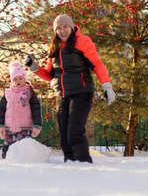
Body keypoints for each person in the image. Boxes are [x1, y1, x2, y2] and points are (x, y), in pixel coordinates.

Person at [24, 14, 116, 163]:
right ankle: (70, 163)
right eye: (58, 28)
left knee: (74, 130)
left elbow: (97, 64)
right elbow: (50, 75)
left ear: (72, 27)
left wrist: (106, 85)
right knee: (64, 131)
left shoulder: (82, 42)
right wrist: (33, 67)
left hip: (82, 92)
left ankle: (83, 163)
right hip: (62, 94)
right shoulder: (54, 48)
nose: (62, 31)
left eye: (65, 26)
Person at [0, 62, 42, 159]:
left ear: (25, 79)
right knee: (8, 152)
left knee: (24, 151)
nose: (18, 81)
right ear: (12, 81)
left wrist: (37, 124)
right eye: (15, 79)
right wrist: (0, 125)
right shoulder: (7, 93)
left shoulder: (29, 92)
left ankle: (26, 169)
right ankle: (6, 167)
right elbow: (0, 110)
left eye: (20, 78)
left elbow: (36, 110)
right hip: (9, 128)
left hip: (25, 128)